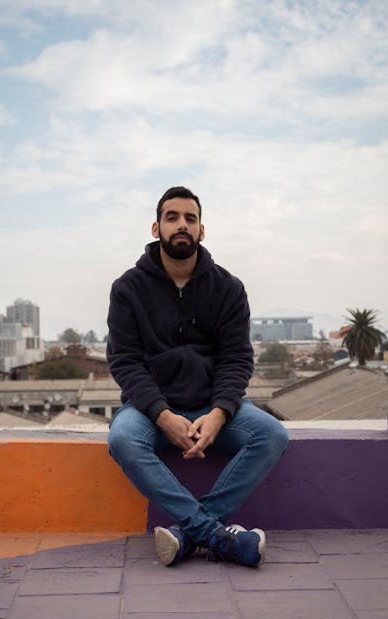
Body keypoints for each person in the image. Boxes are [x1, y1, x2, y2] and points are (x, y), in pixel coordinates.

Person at [107, 186, 288, 567]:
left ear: (202, 230)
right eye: (172, 217)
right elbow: (124, 361)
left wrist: (220, 413)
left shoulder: (228, 288)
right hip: (151, 410)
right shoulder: (128, 288)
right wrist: (162, 415)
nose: (182, 225)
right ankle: (214, 536)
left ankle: (187, 535)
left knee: (271, 434)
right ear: (156, 228)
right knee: (123, 438)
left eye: (190, 218)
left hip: (213, 406)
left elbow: (237, 359)